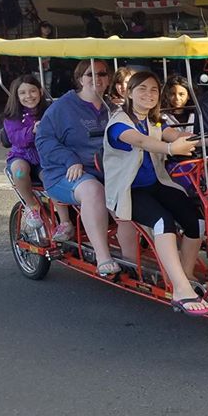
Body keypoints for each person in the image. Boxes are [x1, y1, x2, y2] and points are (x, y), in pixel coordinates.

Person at [102, 72, 208, 316]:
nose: (149, 94)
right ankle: (181, 289)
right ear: (129, 93)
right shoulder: (119, 122)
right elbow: (142, 141)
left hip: (157, 183)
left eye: (153, 90)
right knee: (163, 222)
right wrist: (171, 148)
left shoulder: (153, 120)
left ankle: (186, 272)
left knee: (196, 218)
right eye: (142, 89)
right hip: (128, 189)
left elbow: (174, 134)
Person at [35, 60, 126, 277]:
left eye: (103, 73)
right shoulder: (62, 107)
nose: (97, 78)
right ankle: (103, 257)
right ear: (80, 79)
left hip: (105, 169)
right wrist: (70, 159)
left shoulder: (112, 107)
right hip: (65, 172)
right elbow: (44, 139)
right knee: (93, 190)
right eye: (90, 74)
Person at [2, 74, 72, 242]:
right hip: (22, 155)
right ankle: (31, 205)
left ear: (40, 92)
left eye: (32, 91)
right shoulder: (12, 116)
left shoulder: (50, 111)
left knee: (53, 180)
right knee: (19, 171)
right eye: (23, 93)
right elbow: (15, 139)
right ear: (17, 96)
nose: (29, 96)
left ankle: (65, 222)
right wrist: (32, 131)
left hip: (45, 158)